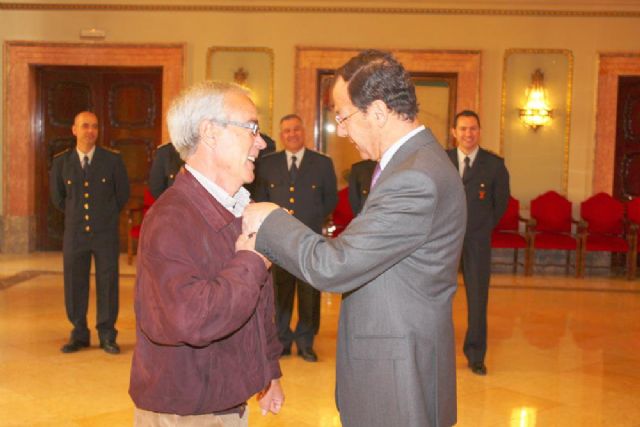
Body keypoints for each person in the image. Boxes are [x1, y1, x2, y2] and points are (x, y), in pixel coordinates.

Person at [242, 50, 465, 427]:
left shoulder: (415, 178)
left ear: (377, 112)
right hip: (401, 360)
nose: (341, 130)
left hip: (396, 375)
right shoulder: (414, 163)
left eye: (343, 117)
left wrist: (270, 219)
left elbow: (335, 265)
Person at [129, 81, 284, 426]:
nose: (261, 142)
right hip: (187, 409)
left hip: (225, 398)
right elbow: (193, 319)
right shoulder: (171, 219)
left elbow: (258, 302)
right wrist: (252, 260)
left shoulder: (237, 206)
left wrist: (268, 369)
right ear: (210, 133)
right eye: (252, 129)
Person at [253, 114, 338, 362]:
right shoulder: (268, 164)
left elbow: (330, 198)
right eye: (287, 131)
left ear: (304, 132)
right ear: (281, 135)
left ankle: (305, 341)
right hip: (278, 239)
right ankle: (281, 340)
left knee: (309, 292)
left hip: (309, 238)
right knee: (281, 291)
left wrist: (314, 218)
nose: (292, 134)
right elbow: (261, 196)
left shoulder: (321, 163)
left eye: (296, 130)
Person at [49, 111, 130, 355]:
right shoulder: (61, 162)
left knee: (108, 282)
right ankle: (79, 333)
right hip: (75, 233)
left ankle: (107, 334)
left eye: (94, 126)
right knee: (75, 282)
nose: (90, 131)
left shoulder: (112, 160)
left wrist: (103, 216)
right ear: (74, 130)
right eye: (85, 126)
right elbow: (58, 198)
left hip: (105, 233)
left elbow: (122, 194)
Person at [447, 110, 510, 376]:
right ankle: (437, 352)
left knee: (477, 299)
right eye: (463, 129)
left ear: (479, 132)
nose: (468, 134)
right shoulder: (442, 160)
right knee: (437, 297)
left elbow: (501, 203)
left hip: (477, 240)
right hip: (445, 240)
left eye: (473, 129)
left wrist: (481, 227)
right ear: (454, 132)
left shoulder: (494, 165)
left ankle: (476, 354)